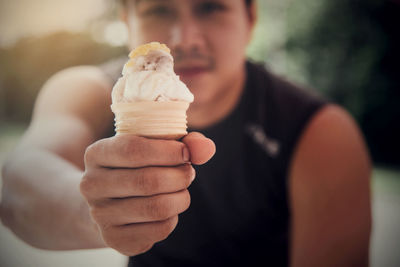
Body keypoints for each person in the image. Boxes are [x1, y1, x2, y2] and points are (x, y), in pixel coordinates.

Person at [1, 0, 372, 266]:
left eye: (211, 7)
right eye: (159, 9)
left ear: (251, 17)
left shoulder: (317, 131)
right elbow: (15, 185)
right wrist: (95, 213)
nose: (185, 38)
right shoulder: (90, 90)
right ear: (127, 20)